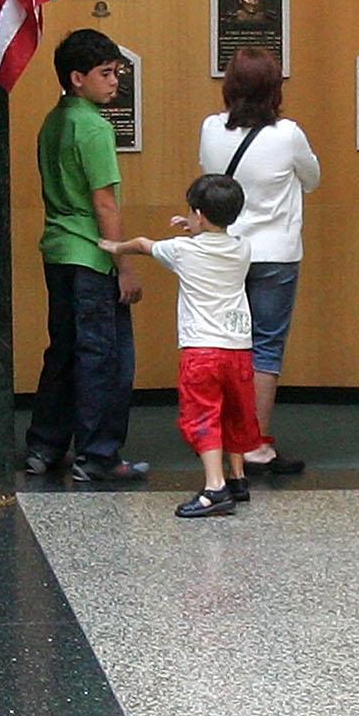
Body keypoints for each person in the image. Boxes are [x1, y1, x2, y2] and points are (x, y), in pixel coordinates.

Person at [25, 28, 148, 482]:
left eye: (116, 72)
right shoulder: (95, 128)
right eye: (106, 73)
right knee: (105, 356)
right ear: (77, 77)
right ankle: (98, 454)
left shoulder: (54, 120)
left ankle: (45, 445)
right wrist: (126, 264)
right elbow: (104, 204)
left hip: (58, 248)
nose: (115, 81)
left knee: (63, 352)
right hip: (93, 254)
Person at [100, 174, 259, 518]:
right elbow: (213, 244)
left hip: (202, 350)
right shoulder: (243, 248)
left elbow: (143, 244)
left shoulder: (181, 250)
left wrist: (116, 247)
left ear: (198, 215)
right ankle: (238, 478)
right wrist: (195, 227)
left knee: (204, 415)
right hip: (239, 349)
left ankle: (214, 487)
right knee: (234, 411)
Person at [198, 47, 322, 474]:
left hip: (225, 253)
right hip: (276, 255)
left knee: (225, 344)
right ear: (275, 88)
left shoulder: (211, 128)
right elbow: (312, 179)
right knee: (265, 349)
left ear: (230, 85)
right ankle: (254, 444)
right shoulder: (288, 135)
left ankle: (221, 441)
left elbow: (209, 179)